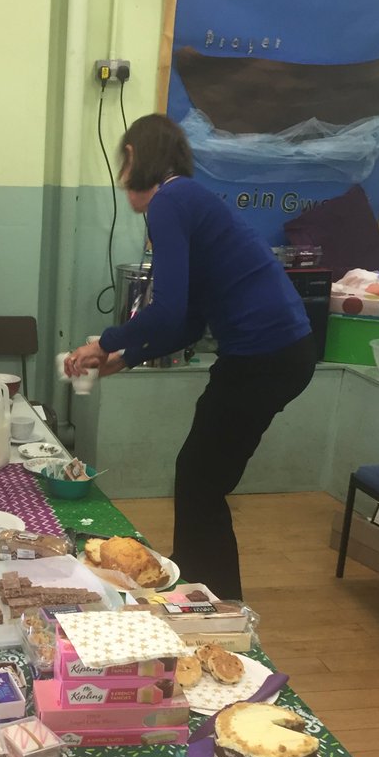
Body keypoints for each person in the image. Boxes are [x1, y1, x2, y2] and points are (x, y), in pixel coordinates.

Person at [66, 113, 315, 600]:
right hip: (282, 354)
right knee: (201, 478)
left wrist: (105, 342)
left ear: (134, 157)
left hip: (264, 355)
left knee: (199, 480)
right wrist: (125, 358)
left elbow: (167, 310)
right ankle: (203, 598)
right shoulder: (189, 200)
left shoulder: (169, 201)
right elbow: (188, 322)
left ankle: (207, 604)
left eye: (122, 164)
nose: (122, 178)